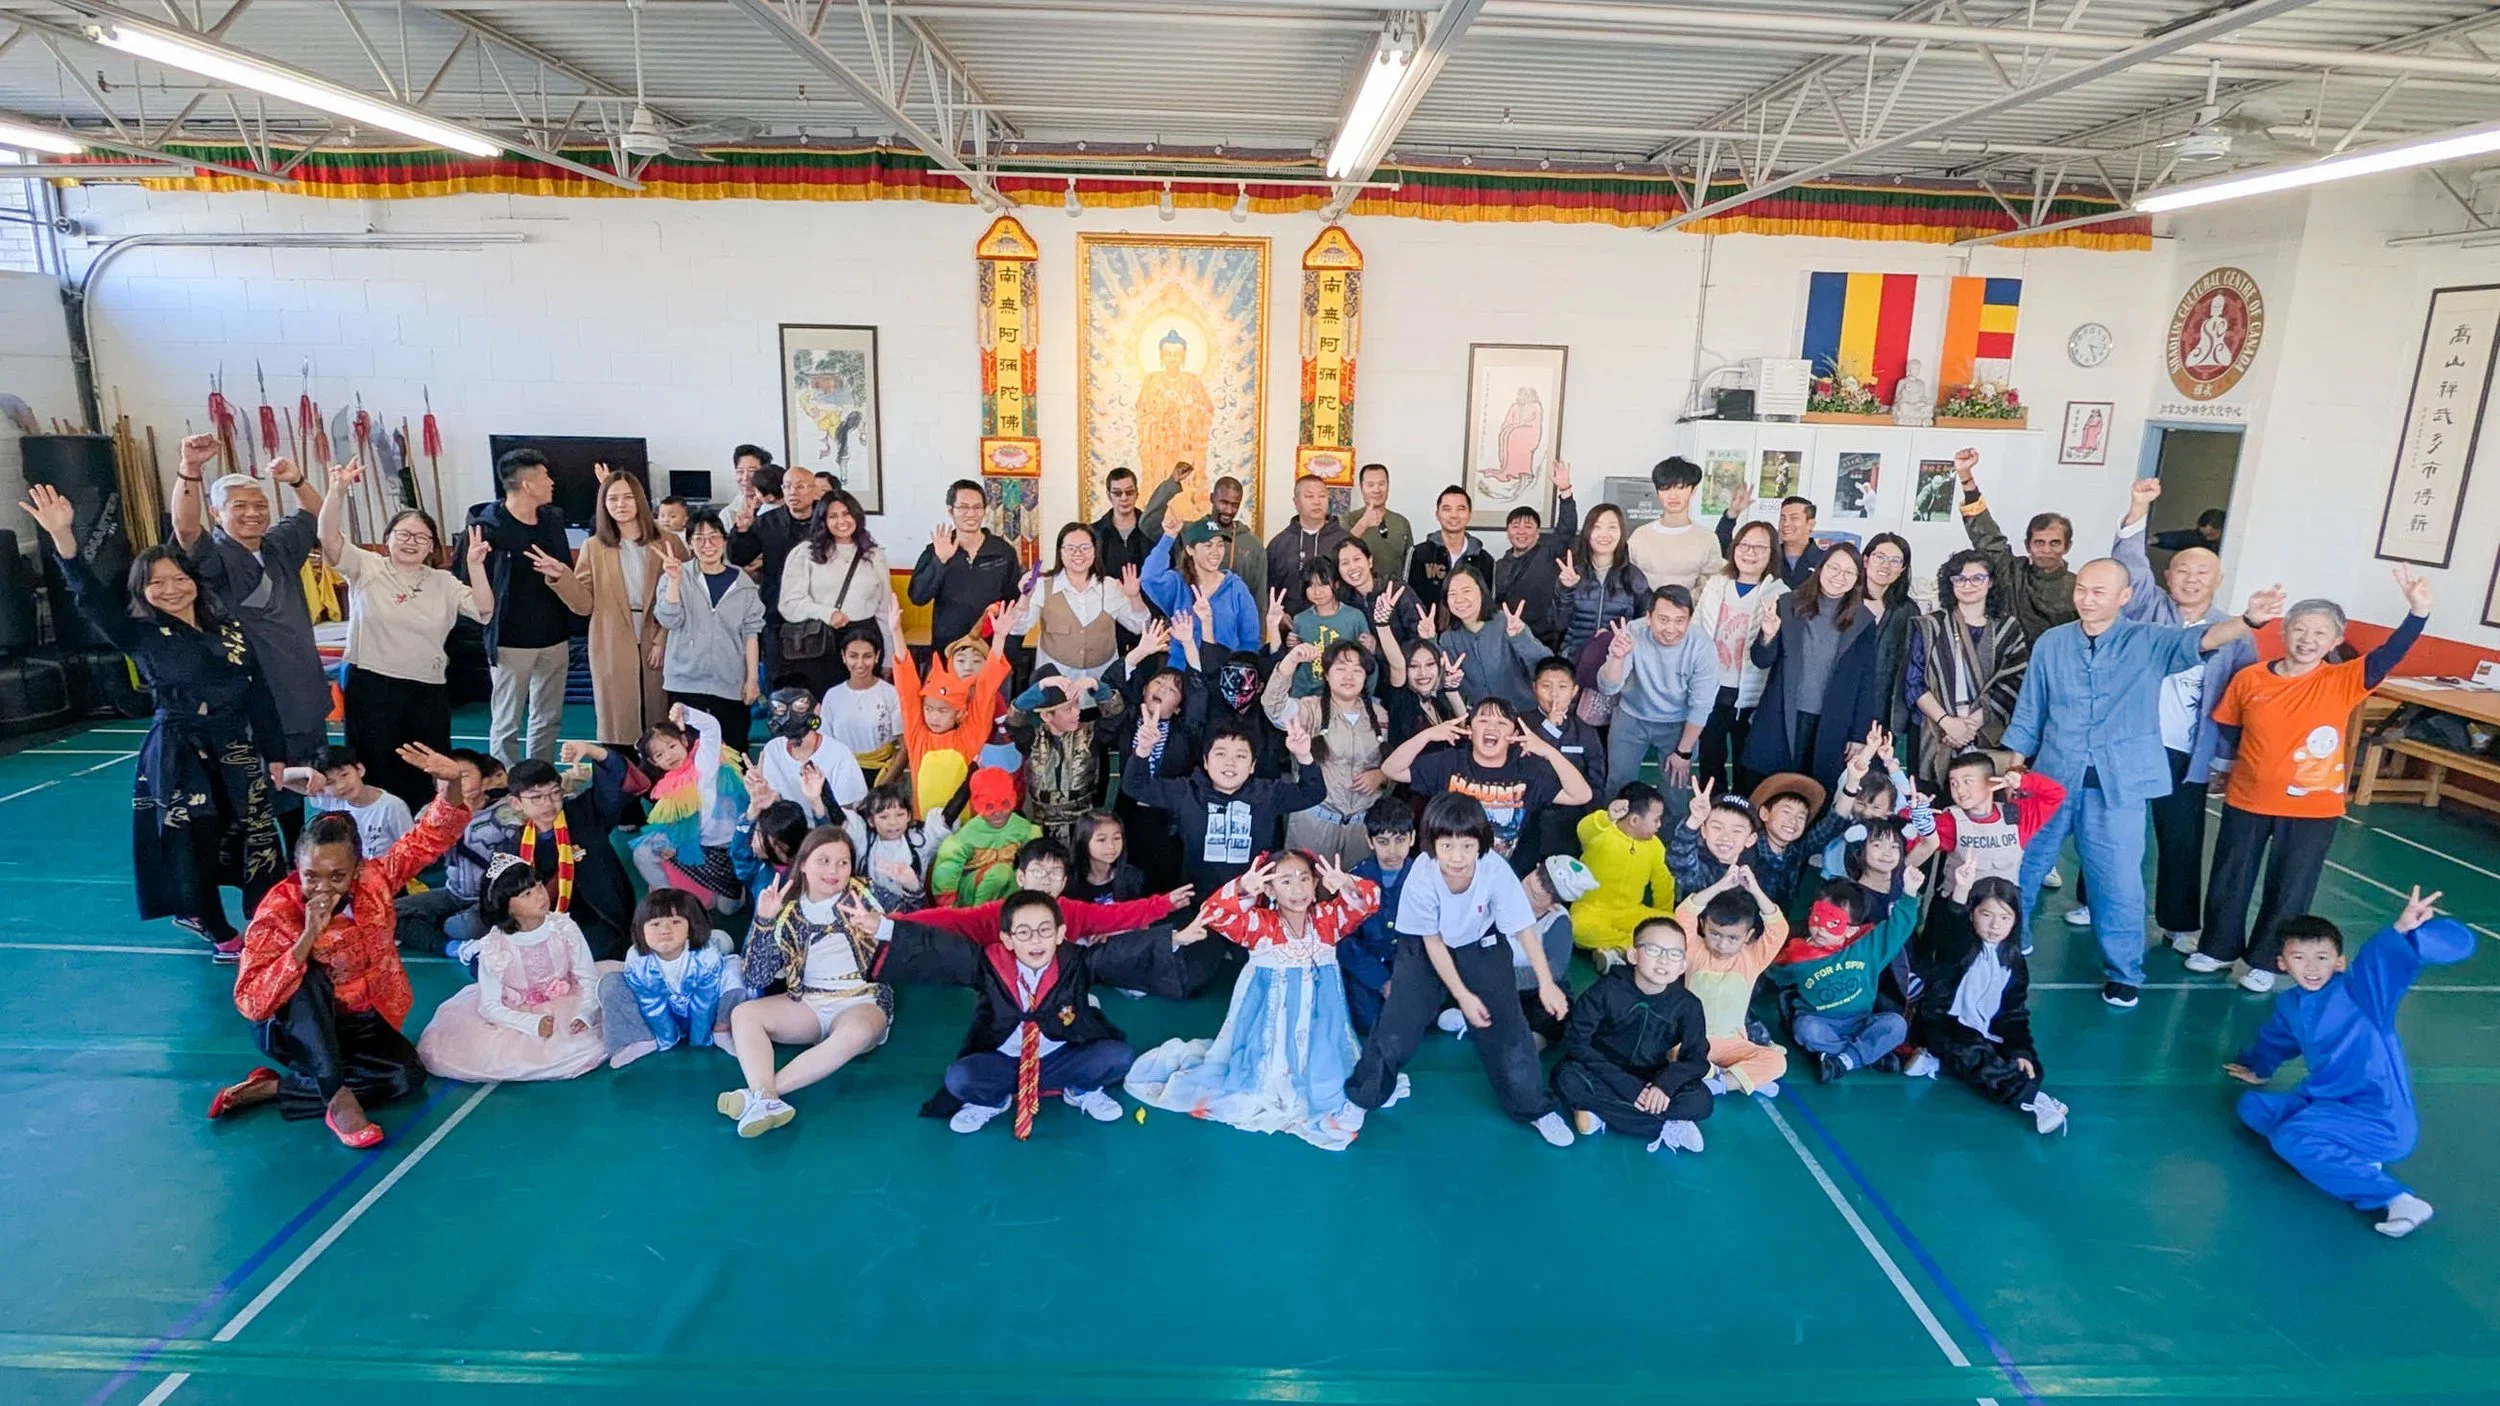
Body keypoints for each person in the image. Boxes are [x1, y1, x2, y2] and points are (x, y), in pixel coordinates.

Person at [26, 483, 289, 956]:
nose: (170, 589)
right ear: (142, 592)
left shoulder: (228, 629)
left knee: (258, 832)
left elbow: (260, 693)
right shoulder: (141, 633)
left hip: (235, 745)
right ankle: (213, 925)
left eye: (177, 578)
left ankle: (268, 919)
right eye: (156, 583)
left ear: (193, 579)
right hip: (179, 750)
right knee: (195, 840)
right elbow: (88, 597)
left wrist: (275, 753)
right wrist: (64, 539)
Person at [2005, 561, 2283, 1006]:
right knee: (2021, 866)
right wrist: (2016, 766)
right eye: (2082, 590)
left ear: (2125, 596)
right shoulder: (2052, 643)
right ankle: (2006, 944)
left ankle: (2124, 971)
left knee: (2117, 882)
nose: (2087, 599)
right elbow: (2031, 707)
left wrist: (2248, 621)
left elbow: (2202, 639)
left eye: (2099, 592)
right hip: (2052, 777)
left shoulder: (2149, 641)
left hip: (2120, 785)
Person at [210, 746, 473, 1146]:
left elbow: (430, 836)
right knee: (306, 981)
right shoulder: (278, 910)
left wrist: (453, 782)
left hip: (364, 1020)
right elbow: (252, 1002)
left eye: (337, 876)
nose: (322, 887)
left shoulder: (377, 879)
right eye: (311, 876)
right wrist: (305, 939)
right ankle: (335, 1096)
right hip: (296, 1027)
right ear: (297, 868)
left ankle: (275, 1089)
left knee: (405, 1079)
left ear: (357, 869)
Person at [2193, 574, 2431, 990]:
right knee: (2230, 875)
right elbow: (2230, 727)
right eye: (2299, 629)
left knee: (2290, 888)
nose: (2307, 639)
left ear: (2336, 639)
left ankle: (2268, 960)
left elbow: (2390, 654)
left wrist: (2418, 613)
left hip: (2312, 808)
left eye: (2320, 633)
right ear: (2284, 632)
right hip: (2248, 798)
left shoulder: (2343, 680)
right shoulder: (2250, 678)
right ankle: (2216, 948)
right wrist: (2236, 766)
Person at [859, 889, 1208, 1136]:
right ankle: (993, 1100)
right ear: (1007, 939)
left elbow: (1119, 953)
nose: (1035, 941)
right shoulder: (989, 964)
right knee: (960, 1079)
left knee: (1117, 1057)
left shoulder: (1074, 962)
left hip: (1060, 1057)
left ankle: (1081, 1090)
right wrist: (885, 928)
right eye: (1023, 933)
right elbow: (940, 948)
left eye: (1044, 931)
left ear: (1059, 934)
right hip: (1006, 1061)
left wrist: (1173, 939)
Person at [2225, 889, 2471, 1238]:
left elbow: (2378, 964)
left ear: (2339, 962)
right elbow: (2276, 1039)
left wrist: (2400, 930)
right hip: (2325, 1101)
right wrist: (2258, 1068)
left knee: (2291, 1138)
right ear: (2282, 963)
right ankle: (2344, 1154)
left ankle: (2396, 1198)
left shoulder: (2363, 994)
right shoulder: (2292, 1003)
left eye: (2323, 958)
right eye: (2299, 958)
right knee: (2252, 1107)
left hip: (2380, 1119)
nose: (2311, 967)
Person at [1341, 794, 1576, 1146]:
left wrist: (1545, 983)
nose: (1457, 856)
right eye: (1446, 845)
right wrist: (1463, 996)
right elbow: (1433, 943)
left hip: (1481, 944)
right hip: (1424, 949)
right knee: (1396, 1026)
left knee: (1508, 1026)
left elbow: (1523, 929)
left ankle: (1534, 1107)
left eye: (1467, 845)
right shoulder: (1421, 876)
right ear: (1432, 843)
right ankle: (1364, 1097)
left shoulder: (1495, 869)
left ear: (1482, 844)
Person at [1125, 850, 1380, 1150]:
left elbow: (1369, 901)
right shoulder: (1260, 925)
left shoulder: (1328, 919)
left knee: (1331, 1080)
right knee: (1261, 1076)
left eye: (1304, 879)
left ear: (1316, 883)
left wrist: (1347, 882)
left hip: (1320, 1016)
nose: (1297, 889)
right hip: (1269, 1017)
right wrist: (1244, 887)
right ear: (1269, 889)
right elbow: (1215, 913)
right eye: (1285, 881)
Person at [2111, 475, 2256, 950]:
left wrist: (2225, 760)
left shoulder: (2235, 633)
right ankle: (2097, 900)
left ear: (2217, 581)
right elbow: (2129, 566)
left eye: (2202, 574)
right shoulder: (2150, 609)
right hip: (2134, 740)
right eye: (2182, 572)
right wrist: (2138, 508)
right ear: (2167, 578)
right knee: (2116, 827)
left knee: (2180, 839)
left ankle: (2178, 923)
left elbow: (2241, 702)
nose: (2191, 580)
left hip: (2187, 752)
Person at [318, 460, 496, 808]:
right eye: (404, 534)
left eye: (422, 537)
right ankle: (379, 842)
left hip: (426, 689)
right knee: (375, 763)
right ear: (387, 539)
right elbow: (328, 536)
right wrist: (337, 489)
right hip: (371, 684)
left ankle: (422, 837)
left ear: (433, 547)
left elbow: (485, 611)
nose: (412, 542)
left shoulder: (442, 582)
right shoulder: (367, 566)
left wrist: (475, 566)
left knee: (427, 766)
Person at [169, 440, 331, 775]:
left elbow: (318, 515)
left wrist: (297, 481)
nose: (252, 513)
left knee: (317, 782)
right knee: (263, 792)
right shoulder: (214, 556)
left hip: (303, 690)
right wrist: (190, 469)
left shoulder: (278, 546)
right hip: (257, 697)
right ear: (216, 512)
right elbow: (185, 529)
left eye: (260, 505)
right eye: (239, 506)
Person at [719, 827, 887, 1137]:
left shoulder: (869, 895)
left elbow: (915, 930)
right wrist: (764, 921)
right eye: (823, 860)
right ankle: (766, 1098)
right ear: (804, 863)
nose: (834, 871)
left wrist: (912, 889)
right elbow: (756, 976)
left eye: (843, 862)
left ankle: (761, 1095)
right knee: (744, 1014)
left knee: (857, 1031)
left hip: (861, 1000)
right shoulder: (786, 908)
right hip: (808, 1002)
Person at [416, 855, 610, 1082]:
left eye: (538, 886)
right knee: (499, 1056)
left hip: (568, 999)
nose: (540, 895)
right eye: (527, 894)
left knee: (597, 1035)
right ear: (506, 906)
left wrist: (586, 1012)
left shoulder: (564, 927)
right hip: (516, 1011)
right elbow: (489, 1006)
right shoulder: (495, 946)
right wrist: (531, 1023)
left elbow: (587, 976)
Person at [1915, 855, 2065, 1134]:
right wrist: (1960, 891)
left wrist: (2021, 1051)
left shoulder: (2014, 960)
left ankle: (1941, 1062)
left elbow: (2014, 1013)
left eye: (2005, 917)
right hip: (1942, 1024)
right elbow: (1950, 929)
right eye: (1987, 915)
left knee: (2027, 1065)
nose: (1995, 925)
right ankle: (2034, 1101)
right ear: (1972, 914)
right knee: (1974, 1051)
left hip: (1985, 1030)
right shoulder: (1959, 947)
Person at [467, 448, 592, 765]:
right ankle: (506, 785)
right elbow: (468, 582)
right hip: (510, 641)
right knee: (507, 721)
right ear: (526, 484)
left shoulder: (552, 521)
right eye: (545, 476)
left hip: (554, 638)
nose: (552, 482)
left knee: (547, 717)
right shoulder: (488, 527)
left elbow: (565, 571)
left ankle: (541, 776)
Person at [449, 749, 637, 959]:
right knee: (496, 957)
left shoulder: (586, 815)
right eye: (536, 798)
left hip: (597, 920)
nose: (548, 804)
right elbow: (496, 899)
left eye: (555, 793)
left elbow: (616, 779)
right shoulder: (512, 845)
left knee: (589, 953)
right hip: (540, 925)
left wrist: (592, 750)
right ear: (516, 803)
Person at [1551, 914, 1711, 1152]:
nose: (1664, 960)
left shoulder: (1688, 1005)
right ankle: (1664, 1124)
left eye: (1674, 954)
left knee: (1702, 1100)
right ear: (1634, 954)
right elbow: (1576, 1041)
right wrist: (1627, 1086)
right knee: (1566, 1078)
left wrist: (1664, 1085)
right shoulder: (1606, 990)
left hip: (1650, 1077)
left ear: (1682, 966)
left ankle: (1602, 1113)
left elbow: (1697, 1059)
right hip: (1600, 1070)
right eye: (1654, 950)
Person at [1123, 717, 1326, 897]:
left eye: (1240, 756)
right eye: (1220, 754)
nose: (1230, 762)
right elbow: (1135, 786)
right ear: (1206, 761)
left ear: (1252, 765)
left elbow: (1313, 793)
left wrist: (1304, 756)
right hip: (1200, 903)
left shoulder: (1268, 794)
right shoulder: (1187, 792)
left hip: (1252, 900)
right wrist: (1143, 750)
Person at [1741, 545, 1888, 790]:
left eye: (1848, 573)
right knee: (1768, 790)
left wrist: (1858, 734)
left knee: (1817, 794)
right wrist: (1767, 635)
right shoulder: (1787, 605)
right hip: (1780, 716)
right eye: (1833, 567)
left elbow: (1867, 680)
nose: (1839, 577)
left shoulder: (1863, 620)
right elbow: (1761, 660)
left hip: (1830, 723)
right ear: (1820, 568)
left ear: (1857, 580)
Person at [1383, 699, 1594, 859]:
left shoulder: (1527, 770)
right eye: (1483, 720)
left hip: (1501, 876)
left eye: (1502, 723)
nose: (1491, 728)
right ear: (1469, 730)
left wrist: (1548, 751)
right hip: (1447, 867)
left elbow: (1581, 795)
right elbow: (1391, 769)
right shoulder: (1448, 763)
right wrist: (1426, 735)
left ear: (1515, 734)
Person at [1779, 872, 1924, 1083]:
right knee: (1805, 1029)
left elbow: (1898, 928)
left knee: (1896, 1025)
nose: (1821, 929)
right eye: (1817, 918)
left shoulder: (1868, 947)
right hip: (1820, 1022)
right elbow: (1771, 970)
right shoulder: (1796, 954)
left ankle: (1841, 1060)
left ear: (1850, 930)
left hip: (1861, 1021)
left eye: (1833, 923)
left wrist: (1909, 892)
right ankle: (1864, 1057)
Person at [577, 466, 684, 747]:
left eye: (627, 497)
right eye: (612, 499)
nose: (620, 505)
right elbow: (582, 603)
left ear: (639, 499)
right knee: (618, 723)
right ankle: (621, 783)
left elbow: (684, 595)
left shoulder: (667, 541)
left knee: (659, 717)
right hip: (612, 639)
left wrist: (662, 638)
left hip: (659, 635)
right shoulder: (594, 546)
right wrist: (558, 576)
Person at [1906, 547, 2030, 788]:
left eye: (1977, 578)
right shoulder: (1931, 625)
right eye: (1959, 578)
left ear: (1991, 582)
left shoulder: (2008, 628)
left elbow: (2015, 681)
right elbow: (1914, 682)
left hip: (1986, 735)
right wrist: (1948, 723)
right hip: (1934, 732)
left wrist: (1971, 725)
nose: (1968, 584)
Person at [1263, 639, 1390, 867]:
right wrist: (1291, 661)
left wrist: (1381, 775)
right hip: (1314, 824)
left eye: (1357, 670)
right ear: (1327, 675)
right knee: (1308, 893)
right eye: (1340, 669)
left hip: (1361, 829)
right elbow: (1274, 707)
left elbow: (1392, 761)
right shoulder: (1310, 709)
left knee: (1357, 895)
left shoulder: (1380, 714)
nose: (1349, 676)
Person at [651, 508, 765, 751]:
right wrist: (673, 580)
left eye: (714, 537)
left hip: (730, 682)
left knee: (733, 751)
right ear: (690, 543)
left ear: (724, 541)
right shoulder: (675, 576)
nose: (707, 545)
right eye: (699, 539)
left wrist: (752, 680)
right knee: (687, 752)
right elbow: (669, 620)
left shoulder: (744, 585)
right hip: (684, 682)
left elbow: (751, 635)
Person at [1675, 866, 1790, 1098]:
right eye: (1715, 934)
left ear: (1747, 937)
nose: (1722, 944)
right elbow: (1683, 914)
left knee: (1777, 1061)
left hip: (1732, 1044)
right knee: (1669, 1055)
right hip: (1693, 1042)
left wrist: (1755, 890)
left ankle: (1718, 1083)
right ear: (1703, 926)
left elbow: (1778, 929)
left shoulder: (1752, 958)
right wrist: (1720, 886)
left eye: (1733, 938)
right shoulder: (1694, 950)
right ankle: (1740, 1078)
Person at [600, 887, 743, 1070]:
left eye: (675, 922)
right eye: (655, 924)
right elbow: (650, 1001)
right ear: (641, 929)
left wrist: (700, 1039)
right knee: (610, 984)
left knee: (736, 969)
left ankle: (722, 1030)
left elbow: (705, 1001)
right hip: (658, 1017)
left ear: (691, 926)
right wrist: (666, 1039)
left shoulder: (706, 956)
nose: (665, 930)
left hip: (705, 1014)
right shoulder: (636, 958)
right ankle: (643, 1039)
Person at [1595, 588, 1719, 796]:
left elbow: (1702, 704)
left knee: (1675, 793)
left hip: (1677, 723)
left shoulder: (1701, 644)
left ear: (1690, 620)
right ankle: (1614, 829)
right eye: (1663, 619)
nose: (1671, 628)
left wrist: (1683, 751)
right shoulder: (1631, 632)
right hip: (1631, 717)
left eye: (1680, 621)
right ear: (1648, 617)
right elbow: (1608, 688)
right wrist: (1616, 657)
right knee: (1618, 785)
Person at [1692, 520, 1786, 789]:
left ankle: (1744, 821)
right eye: (1744, 545)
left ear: (1772, 554)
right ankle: (1712, 816)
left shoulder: (1779, 594)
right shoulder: (1715, 585)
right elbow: (1697, 632)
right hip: (1712, 688)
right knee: (1711, 761)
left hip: (1752, 696)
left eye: (1759, 547)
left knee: (1748, 764)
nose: (1750, 552)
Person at [630, 707, 751, 911]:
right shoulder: (668, 786)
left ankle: (738, 883)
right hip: (699, 847)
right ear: (653, 762)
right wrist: (670, 844)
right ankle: (669, 902)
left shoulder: (704, 763)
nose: (669, 756)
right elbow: (672, 825)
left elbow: (712, 727)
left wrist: (685, 712)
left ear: (684, 742)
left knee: (728, 909)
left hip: (728, 849)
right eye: (660, 754)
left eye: (671, 746)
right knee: (643, 853)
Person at [779, 488, 896, 695]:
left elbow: (884, 609)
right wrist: (826, 613)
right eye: (833, 516)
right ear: (823, 520)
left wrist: (888, 657)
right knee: (826, 708)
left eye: (847, 514)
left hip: (866, 639)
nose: (841, 521)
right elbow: (789, 604)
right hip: (822, 641)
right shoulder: (805, 553)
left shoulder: (874, 555)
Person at [1953, 448, 2075, 644]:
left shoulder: (2078, 587)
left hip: (2052, 667)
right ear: (2028, 545)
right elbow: (1986, 536)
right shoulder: (2012, 573)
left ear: (2067, 546)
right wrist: (1965, 476)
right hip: (2006, 664)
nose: (2046, 550)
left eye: (2055, 543)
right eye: (2039, 542)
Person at [1008, 521, 1151, 685]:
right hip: (1056, 689)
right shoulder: (1043, 585)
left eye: (1085, 547)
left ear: (1095, 551)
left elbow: (1140, 627)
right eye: (1070, 548)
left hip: (1101, 685)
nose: (1078, 553)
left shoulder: (1111, 586)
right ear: (1060, 552)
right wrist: (1024, 597)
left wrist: (1134, 597)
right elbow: (1017, 628)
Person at [910, 480, 1023, 672]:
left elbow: (1014, 603)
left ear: (985, 510)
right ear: (950, 510)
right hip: (948, 652)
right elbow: (918, 597)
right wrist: (940, 561)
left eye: (977, 507)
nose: (971, 514)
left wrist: (1007, 651)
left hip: (990, 651)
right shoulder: (936, 550)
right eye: (963, 507)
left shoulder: (1004, 552)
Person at [728, 462, 820, 686]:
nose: (792, 492)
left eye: (799, 487)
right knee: (779, 690)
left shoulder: (827, 520)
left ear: (814, 489)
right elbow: (739, 557)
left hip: (820, 617)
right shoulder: (768, 521)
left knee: (819, 690)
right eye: (787, 487)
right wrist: (741, 531)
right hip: (777, 619)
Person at [1925, 753, 2066, 892]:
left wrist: (2023, 782)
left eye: (1967, 781)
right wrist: (1919, 816)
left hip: (2001, 908)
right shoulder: (1950, 821)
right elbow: (1917, 846)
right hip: (1957, 906)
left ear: (1992, 782)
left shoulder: (2017, 816)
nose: (1960, 790)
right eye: (1953, 783)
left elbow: (2056, 794)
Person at [1570, 782, 1676, 963]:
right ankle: (1632, 948)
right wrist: (1606, 817)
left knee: (1674, 925)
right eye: (1656, 819)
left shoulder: (1655, 846)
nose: (1659, 825)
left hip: (1631, 913)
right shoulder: (1601, 832)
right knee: (1577, 929)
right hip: (1592, 911)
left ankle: (1615, 951)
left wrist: (1664, 921)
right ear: (1634, 820)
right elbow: (1584, 829)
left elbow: (1663, 882)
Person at [1140, 516, 1260, 664]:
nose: (1216, 552)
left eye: (1220, 545)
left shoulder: (1236, 588)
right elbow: (1149, 579)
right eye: (1208, 545)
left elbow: (1250, 641)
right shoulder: (1177, 582)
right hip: (1181, 673)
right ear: (1190, 550)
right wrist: (1169, 537)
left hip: (1223, 675)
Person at [1436, 569, 1550, 716]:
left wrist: (1520, 638)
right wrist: (1430, 640)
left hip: (1524, 714)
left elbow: (1546, 666)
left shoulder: (1506, 623)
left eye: (1466, 591)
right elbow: (1441, 683)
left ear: (1482, 592)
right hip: (1483, 721)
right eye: (1452, 594)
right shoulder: (1448, 638)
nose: (1459, 599)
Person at [1549, 501, 1651, 665]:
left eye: (1612, 527)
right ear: (1587, 532)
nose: (1604, 534)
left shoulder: (1634, 577)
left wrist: (1615, 636)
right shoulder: (1572, 572)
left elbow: (1646, 624)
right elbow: (1558, 624)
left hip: (1616, 663)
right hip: (1574, 662)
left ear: (1621, 533)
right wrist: (1566, 589)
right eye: (1597, 527)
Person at [1342, 804, 1414, 1037]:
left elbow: (1432, 939)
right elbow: (1344, 942)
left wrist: (1403, 980)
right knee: (1367, 1022)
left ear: (1412, 838)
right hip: (1368, 965)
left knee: (1414, 1020)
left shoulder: (1425, 879)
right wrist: (1382, 981)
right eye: (1383, 842)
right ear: (1369, 841)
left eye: (1400, 840)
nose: (1392, 851)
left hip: (1409, 965)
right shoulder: (1355, 880)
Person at [1489, 464, 1578, 646]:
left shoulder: (1548, 552)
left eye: (1528, 526)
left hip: (1545, 639)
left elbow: (1567, 528)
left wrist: (1565, 490)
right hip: (1509, 638)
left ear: (1537, 533)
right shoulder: (1499, 565)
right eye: (1515, 526)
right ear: (1507, 532)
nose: (1521, 531)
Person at [754, 687, 869, 824]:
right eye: (780, 709)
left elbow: (848, 811)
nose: (790, 717)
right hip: (788, 830)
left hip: (831, 831)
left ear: (817, 710)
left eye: (800, 707)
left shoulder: (839, 754)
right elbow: (773, 801)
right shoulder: (772, 749)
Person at [933, 767, 1043, 907]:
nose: (997, 813)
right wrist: (950, 909)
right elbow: (947, 868)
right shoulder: (965, 837)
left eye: (1004, 804)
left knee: (1020, 876)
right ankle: (980, 916)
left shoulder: (1024, 829)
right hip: (970, 896)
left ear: (1013, 799)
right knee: (1001, 873)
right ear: (976, 804)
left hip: (1008, 888)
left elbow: (1038, 860)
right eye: (989, 807)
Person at [296, 744, 413, 860]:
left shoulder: (392, 807)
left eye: (344, 775)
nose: (341, 786)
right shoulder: (332, 800)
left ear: (360, 770)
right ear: (321, 787)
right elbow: (281, 779)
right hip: (347, 872)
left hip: (383, 874)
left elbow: (411, 850)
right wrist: (307, 772)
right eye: (330, 782)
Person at [1628, 457, 1725, 591]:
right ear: (1657, 492)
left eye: (1680, 488)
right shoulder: (1640, 536)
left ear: (1693, 490)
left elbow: (1712, 586)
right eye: (1665, 489)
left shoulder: (1707, 539)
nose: (1673, 495)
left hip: (1690, 610)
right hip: (1646, 611)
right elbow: (1626, 581)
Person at [1266, 474, 1355, 616]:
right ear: (1296, 502)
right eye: (1309, 496)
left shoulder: (1344, 541)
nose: (1317, 502)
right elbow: (1267, 587)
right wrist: (1279, 614)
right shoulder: (1279, 544)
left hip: (1338, 624)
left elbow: (1354, 585)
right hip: (1291, 626)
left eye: (1322, 496)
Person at [821, 632, 905, 780]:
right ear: (843, 657)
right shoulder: (832, 696)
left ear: (877, 656)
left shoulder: (891, 694)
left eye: (867, 656)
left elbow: (904, 748)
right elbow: (825, 745)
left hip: (882, 775)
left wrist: (884, 786)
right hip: (843, 775)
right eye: (853, 656)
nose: (860, 663)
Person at [1405, 485, 1495, 621]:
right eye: (1447, 509)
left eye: (1461, 509)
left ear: (1470, 514)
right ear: (1437, 515)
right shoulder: (1419, 554)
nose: (1454, 515)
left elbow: (1488, 606)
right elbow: (1407, 599)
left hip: (1469, 637)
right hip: (1427, 635)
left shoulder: (1484, 560)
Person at [1715, 482, 1827, 587]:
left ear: (1811, 524)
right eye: (1782, 518)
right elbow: (1723, 548)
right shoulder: (1768, 554)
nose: (1786, 523)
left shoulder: (1825, 560)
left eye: (1794, 518)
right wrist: (1732, 514)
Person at [1341, 462, 1414, 584]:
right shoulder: (1348, 520)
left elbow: (1409, 564)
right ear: (1361, 487)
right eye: (1370, 485)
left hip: (1392, 593)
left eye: (1382, 484)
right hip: (1355, 593)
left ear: (1388, 486)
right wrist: (1363, 524)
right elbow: (1339, 553)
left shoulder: (1401, 523)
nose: (1377, 490)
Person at [1066, 810, 1144, 905]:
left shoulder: (1132, 877)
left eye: (1117, 838)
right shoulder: (1069, 881)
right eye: (1102, 840)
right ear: (1083, 841)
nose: (1111, 846)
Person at [1091, 465, 1154, 577]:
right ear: (1109, 496)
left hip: (1146, 594)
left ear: (1137, 494)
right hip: (1107, 594)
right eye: (1117, 493)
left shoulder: (1153, 529)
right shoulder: (1094, 532)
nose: (1124, 498)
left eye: (1129, 492)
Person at [2151, 507, 2226, 554]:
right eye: (2204, 535)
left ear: (2223, 529)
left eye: (2211, 535)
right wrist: (2158, 539)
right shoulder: (2201, 538)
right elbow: (2181, 538)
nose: (2207, 538)